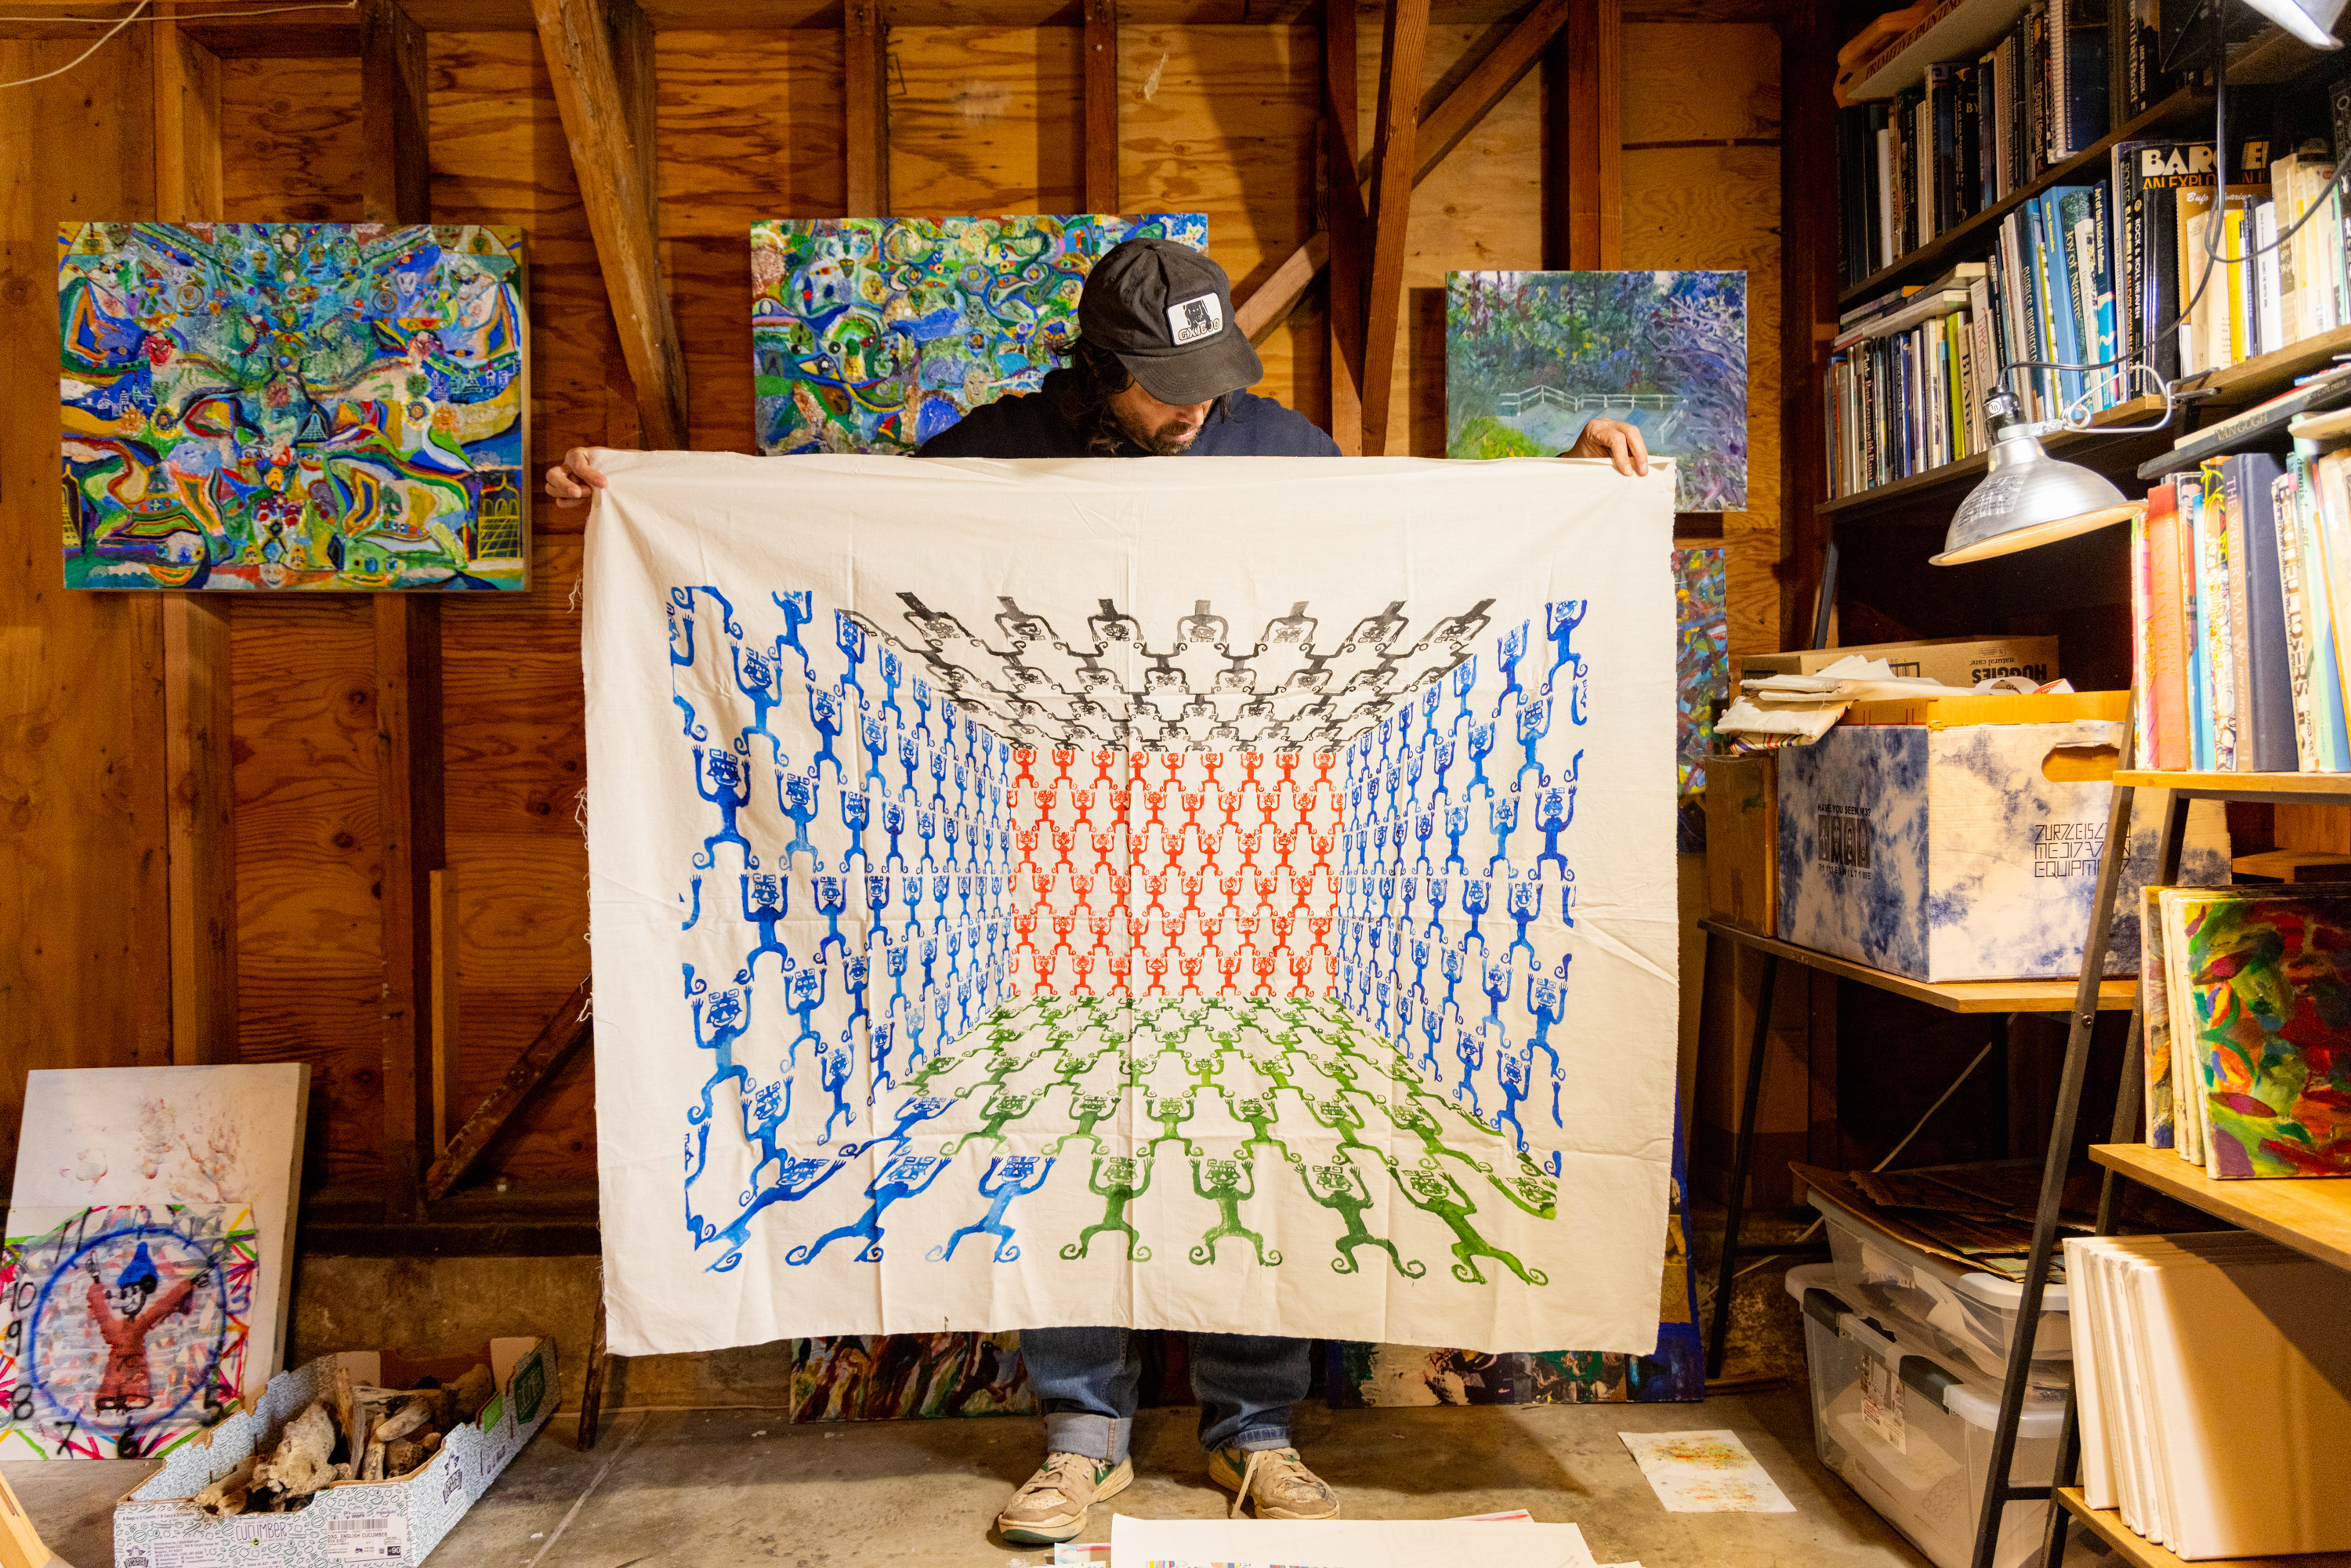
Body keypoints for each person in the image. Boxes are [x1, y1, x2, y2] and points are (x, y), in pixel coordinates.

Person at [543, 237, 1650, 1544]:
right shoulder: (1000, 452)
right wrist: (644, 497)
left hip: (1252, 875)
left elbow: (1421, 553)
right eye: (1167, 383)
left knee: (1260, 1129)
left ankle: (1257, 1429)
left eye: (1210, 376)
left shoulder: (1276, 449)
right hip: (1054, 879)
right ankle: (1083, 1436)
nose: (1194, 406)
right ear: (1102, 367)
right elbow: (829, 535)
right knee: (1061, 1144)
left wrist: (1573, 486)